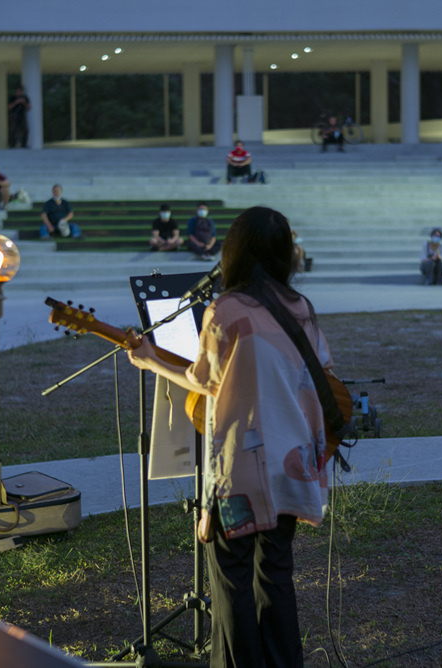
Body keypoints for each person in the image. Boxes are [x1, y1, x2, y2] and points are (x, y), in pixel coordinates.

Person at [126, 205, 332, 668]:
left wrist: (148, 359)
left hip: (240, 471)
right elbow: (321, 375)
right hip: (290, 465)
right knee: (275, 574)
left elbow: (203, 378)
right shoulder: (302, 310)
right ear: (285, 256)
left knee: (233, 578)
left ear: (234, 253)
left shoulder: (227, 309)